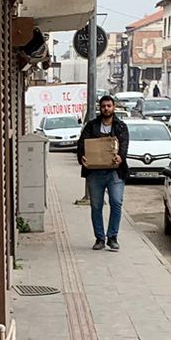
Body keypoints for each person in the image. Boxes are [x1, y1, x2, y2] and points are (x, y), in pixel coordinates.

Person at [76, 94, 130, 250]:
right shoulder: (91, 126)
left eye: (109, 106)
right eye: (103, 106)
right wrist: (82, 157)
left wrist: (120, 157)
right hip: (95, 173)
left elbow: (124, 144)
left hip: (115, 172)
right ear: (100, 108)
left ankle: (112, 237)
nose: (106, 108)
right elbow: (81, 143)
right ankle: (99, 238)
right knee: (96, 206)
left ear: (114, 107)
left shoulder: (121, 126)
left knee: (116, 202)